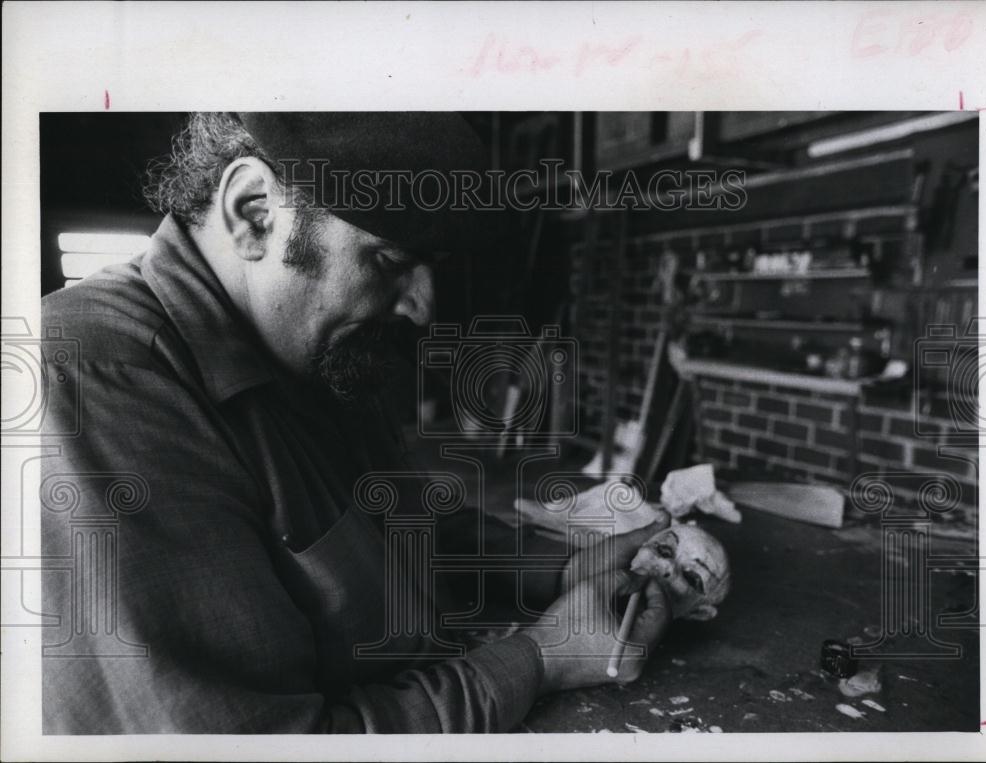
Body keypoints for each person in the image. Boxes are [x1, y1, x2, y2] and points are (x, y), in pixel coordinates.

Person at [39, 112, 674, 733]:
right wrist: (544, 657)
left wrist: (562, 568)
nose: (424, 308)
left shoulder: (313, 345)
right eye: (391, 259)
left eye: (433, 266)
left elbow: (403, 523)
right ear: (255, 210)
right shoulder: (97, 381)